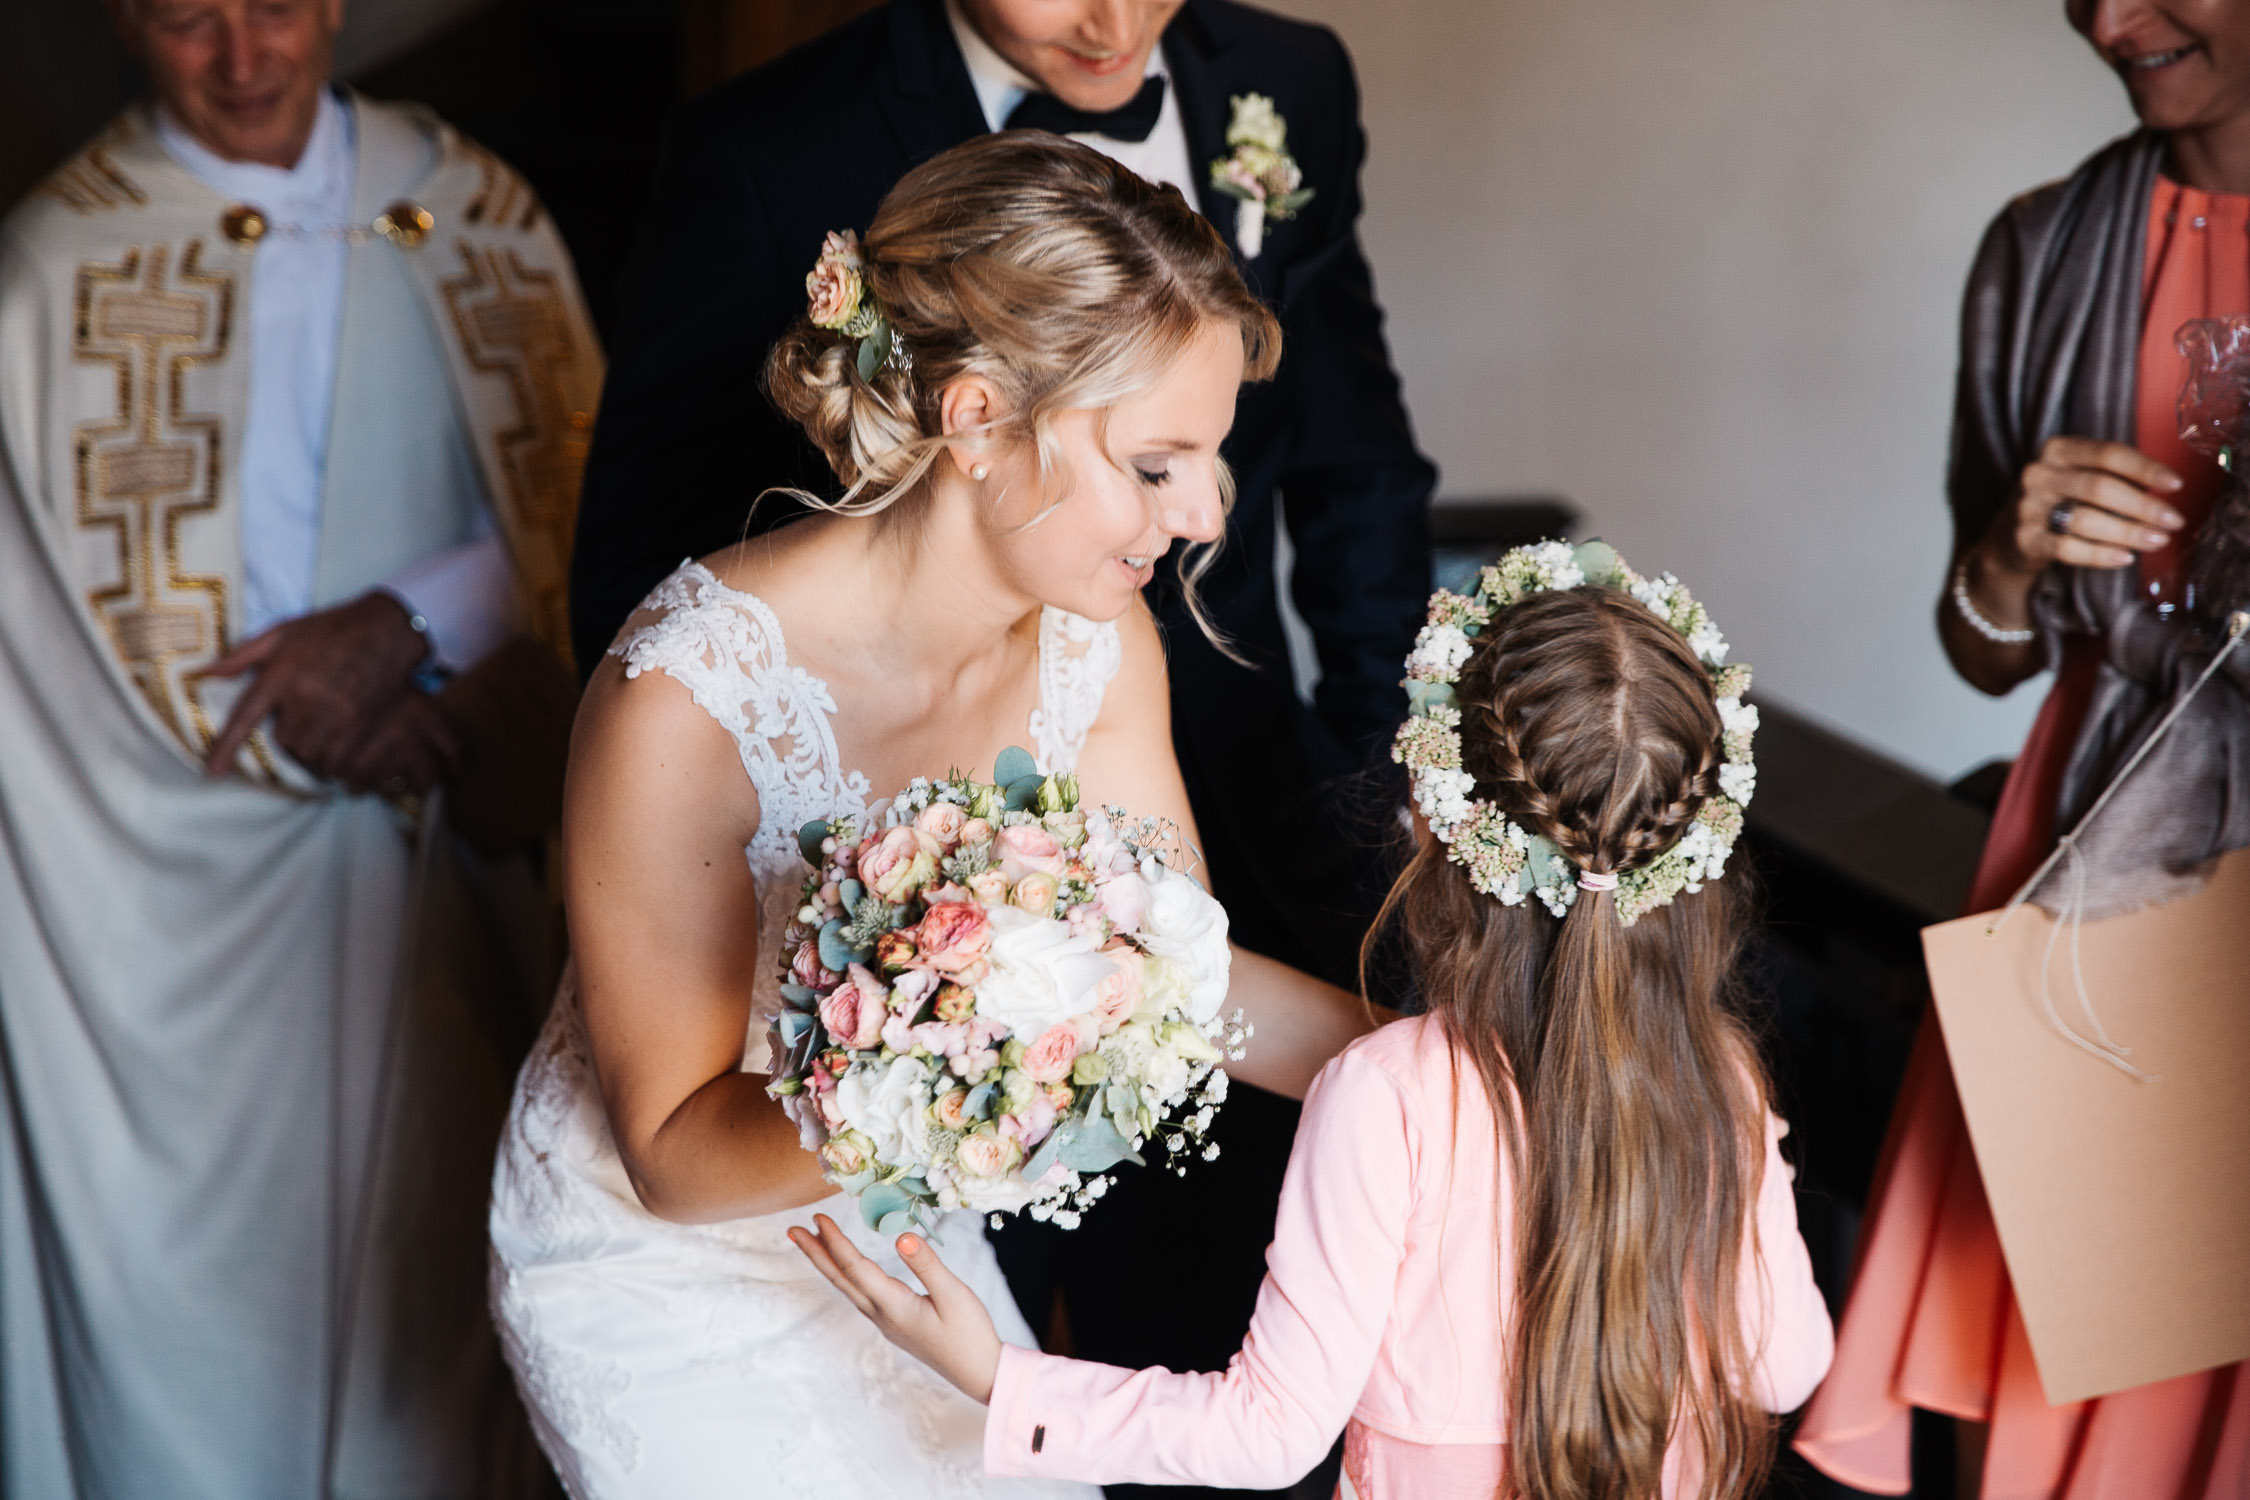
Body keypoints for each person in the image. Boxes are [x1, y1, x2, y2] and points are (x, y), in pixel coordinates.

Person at [568, 6, 1433, 1443]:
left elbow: (1176, 976)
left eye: (1212, 458)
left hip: (907, 1243)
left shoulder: (1099, 645)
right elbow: (666, 1157)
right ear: (973, 422)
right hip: (661, 1279)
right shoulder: (685, 700)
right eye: (1158, 463)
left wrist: (1453, 1064)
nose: (1211, 516)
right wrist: (971, 1050)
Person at [792, 572, 1836, 1500]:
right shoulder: (1720, 1077)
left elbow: (1267, 1434)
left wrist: (997, 1378)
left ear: (1427, 818)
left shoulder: (1388, 1094)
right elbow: (1783, 1365)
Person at [0, 0, 601, 1492]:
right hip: (151, 905)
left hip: (437, 856)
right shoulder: (55, 259)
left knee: (429, 1282)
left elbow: (574, 497)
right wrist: (326, 724)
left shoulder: (466, 204)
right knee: (188, 1337)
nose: (245, 59)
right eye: (191, 19)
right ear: (130, 22)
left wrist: (416, 638)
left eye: (275, 8)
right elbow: (38, 636)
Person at [1793, 2, 2250, 1495]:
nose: (2113, 21)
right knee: (2081, 1351)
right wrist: (2004, 555)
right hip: (2090, 857)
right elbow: (1982, 651)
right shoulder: (2039, 245)